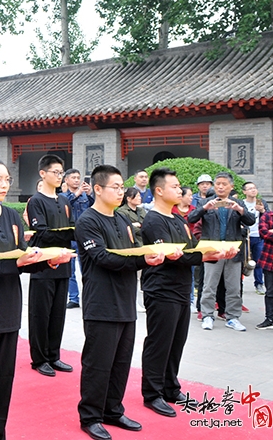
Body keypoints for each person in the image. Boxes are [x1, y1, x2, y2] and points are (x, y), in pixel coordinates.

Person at [0, 159, 69, 440]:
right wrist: (19, 263)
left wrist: (47, 261)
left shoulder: (11, 216)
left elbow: (23, 256)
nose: (4, 185)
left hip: (8, 311)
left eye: (7, 180)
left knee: (2, 383)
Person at [76, 164, 165, 440]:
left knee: (121, 361)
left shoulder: (123, 220)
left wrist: (148, 257)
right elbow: (103, 258)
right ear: (98, 189)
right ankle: (90, 416)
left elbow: (134, 251)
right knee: (98, 363)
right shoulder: (88, 221)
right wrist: (141, 259)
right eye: (114, 186)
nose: (120, 191)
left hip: (126, 301)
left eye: (120, 186)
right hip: (101, 303)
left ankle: (113, 409)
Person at [139, 168, 235, 418]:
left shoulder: (178, 219)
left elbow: (191, 249)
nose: (180, 190)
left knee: (176, 341)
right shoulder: (153, 220)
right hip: (161, 289)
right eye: (175, 186)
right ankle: (152, 393)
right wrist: (203, 255)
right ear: (159, 190)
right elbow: (173, 256)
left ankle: (170, 386)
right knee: (159, 342)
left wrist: (215, 252)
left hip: (181, 289)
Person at [27, 154, 76, 377]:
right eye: (55, 172)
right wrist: (69, 234)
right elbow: (43, 233)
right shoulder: (36, 201)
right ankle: (39, 359)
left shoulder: (64, 200)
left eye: (61, 173)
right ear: (43, 174)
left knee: (58, 313)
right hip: (43, 264)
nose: (59, 176)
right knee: (41, 313)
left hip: (64, 262)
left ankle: (54, 355)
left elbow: (72, 225)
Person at [188, 172, 255, 332]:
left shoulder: (237, 203)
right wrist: (205, 208)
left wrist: (239, 210)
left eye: (224, 184)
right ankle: (207, 315)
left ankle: (232, 317)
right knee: (209, 286)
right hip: (212, 250)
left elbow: (251, 221)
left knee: (233, 287)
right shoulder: (205, 202)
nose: (220, 186)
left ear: (231, 187)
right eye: (217, 184)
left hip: (233, 251)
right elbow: (191, 218)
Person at [63, 168, 94, 309]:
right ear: (66, 180)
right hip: (70, 235)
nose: (76, 180)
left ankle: (89, 296)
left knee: (86, 267)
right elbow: (65, 205)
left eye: (78, 177)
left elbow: (94, 207)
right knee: (70, 269)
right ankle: (73, 298)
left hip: (84, 235)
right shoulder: (63, 196)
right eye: (73, 177)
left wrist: (90, 194)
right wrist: (77, 193)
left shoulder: (85, 196)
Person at [256, 187, 273, 330]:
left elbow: (271, 233)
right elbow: (263, 233)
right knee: (271, 291)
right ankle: (269, 319)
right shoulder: (268, 215)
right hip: (270, 258)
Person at [241, 181, 268, 295]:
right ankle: (239, 284)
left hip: (258, 236)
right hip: (245, 236)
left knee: (259, 261)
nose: (253, 190)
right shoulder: (241, 204)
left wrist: (262, 211)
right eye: (250, 188)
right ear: (244, 192)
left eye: (254, 188)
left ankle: (259, 283)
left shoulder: (261, 203)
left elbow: (269, 218)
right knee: (243, 261)